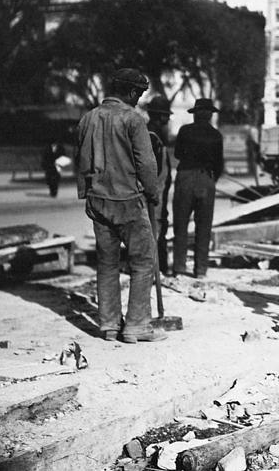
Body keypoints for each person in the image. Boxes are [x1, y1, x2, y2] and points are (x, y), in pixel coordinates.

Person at [75, 68, 165, 343]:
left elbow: (79, 158)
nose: (138, 99)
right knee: (141, 262)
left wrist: (86, 193)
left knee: (107, 263)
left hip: (98, 201)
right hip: (128, 202)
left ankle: (109, 326)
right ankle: (137, 326)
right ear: (129, 91)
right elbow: (147, 163)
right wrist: (153, 193)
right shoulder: (133, 120)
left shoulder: (87, 118)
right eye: (138, 93)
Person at [172, 98, 224, 278]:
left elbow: (178, 154)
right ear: (210, 115)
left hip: (185, 176)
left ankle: (179, 268)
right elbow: (219, 164)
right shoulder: (216, 135)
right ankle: (200, 270)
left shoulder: (184, 131)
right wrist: (210, 180)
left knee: (181, 225)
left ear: (195, 114)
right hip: (206, 178)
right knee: (204, 227)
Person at [144, 95, 173, 275]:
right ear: (159, 116)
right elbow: (150, 168)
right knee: (155, 230)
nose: (168, 119)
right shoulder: (152, 136)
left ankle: (158, 268)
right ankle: (155, 269)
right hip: (154, 195)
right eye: (166, 115)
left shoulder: (155, 135)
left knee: (157, 229)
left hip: (159, 194)